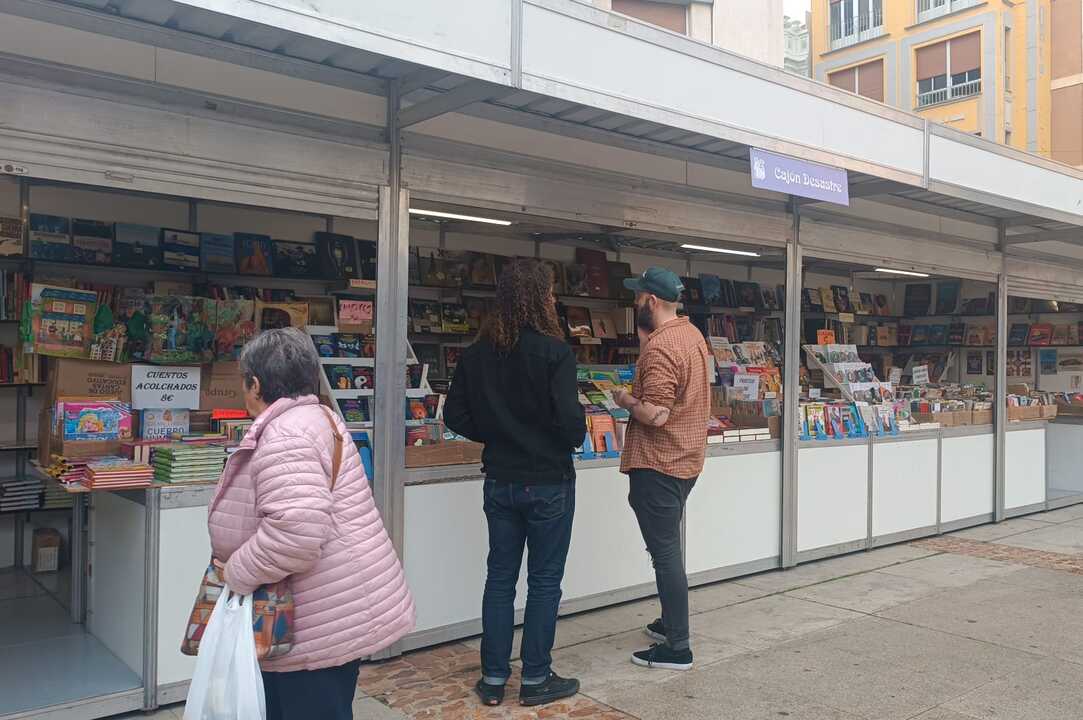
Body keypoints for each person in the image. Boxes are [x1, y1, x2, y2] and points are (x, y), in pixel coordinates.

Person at [207, 327, 415, 720]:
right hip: (332, 607)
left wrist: (236, 572)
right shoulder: (318, 417)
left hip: (315, 621)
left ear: (255, 384)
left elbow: (295, 536)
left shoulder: (287, 435)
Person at [444, 259, 587, 708]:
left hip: (500, 479)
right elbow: (570, 424)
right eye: (549, 294)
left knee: (500, 578)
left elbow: (454, 415)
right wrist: (552, 435)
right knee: (545, 581)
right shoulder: (555, 353)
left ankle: (492, 678)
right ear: (541, 299)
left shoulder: (476, 353)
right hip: (548, 480)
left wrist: (498, 432)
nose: (553, 300)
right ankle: (536, 678)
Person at [613, 267, 711, 672]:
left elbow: (655, 414)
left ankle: (678, 646)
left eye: (638, 298)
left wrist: (624, 399)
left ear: (651, 301)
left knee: (665, 554)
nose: (635, 304)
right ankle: (671, 622)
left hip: (659, 463)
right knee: (668, 547)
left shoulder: (660, 348)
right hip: (686, 460)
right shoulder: (692, 335)